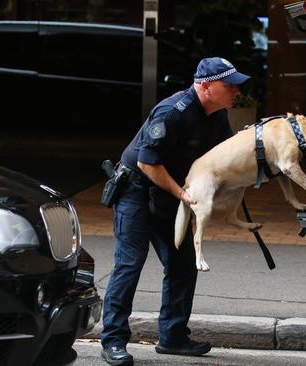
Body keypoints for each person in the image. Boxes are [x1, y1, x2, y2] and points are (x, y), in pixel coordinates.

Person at [100, 57, 250, 365]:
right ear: (206, 87)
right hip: (137, 192)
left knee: (182, 263)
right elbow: (147, 163)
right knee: (129, 263)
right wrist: (184, 194)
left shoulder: (218, 116)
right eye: (229, 85)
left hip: (170, 196)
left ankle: (173, 337)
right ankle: (113, 340)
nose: (237, 91)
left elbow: (225, 158)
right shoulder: (172, 112)